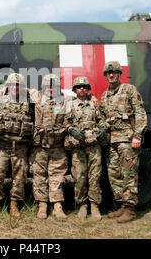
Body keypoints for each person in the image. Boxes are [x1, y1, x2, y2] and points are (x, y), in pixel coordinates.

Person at [99, 61, 147, 223]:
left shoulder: (129, 90)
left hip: (127, 139)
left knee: (129, 174)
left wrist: (137, 136)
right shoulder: (104, 96)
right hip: (112, 141)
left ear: (120, 74)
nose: (111, 75)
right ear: (105, 76)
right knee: (115, 175)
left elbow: (140, 113)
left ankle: (130, 210)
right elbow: (102, 118)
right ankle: (121, 206)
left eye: (114, 72)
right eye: (108, 73)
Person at [0, 73, 34, 219]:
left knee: (19, 178)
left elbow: (47, 96)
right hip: (2, 145)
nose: (15, 87)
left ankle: (14, 204)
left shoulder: (28, 100)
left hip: (20, 146)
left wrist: (30, 91)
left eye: (18, 84)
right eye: (12, 84)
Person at [65, 76, 105, 220]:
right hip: (78, 146)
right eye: (78, 87)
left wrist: (102, 129)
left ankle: (94, 206)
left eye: (84, 87)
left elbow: (101, 120)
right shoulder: (70, 104)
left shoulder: (94, 103)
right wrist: (72, 130)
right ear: (75, 90)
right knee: (79, 177)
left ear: (88, 89)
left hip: (93, 146)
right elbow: (65, 122)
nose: (81, 89)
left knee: (94, 177)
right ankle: (82, 205)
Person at [32, 74, 71, 220]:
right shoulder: (37, 97)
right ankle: (42, 205)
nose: (50, 88)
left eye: (53, 85)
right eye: (47, 86)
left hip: (57, 146)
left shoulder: (65, 100)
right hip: (40, 146)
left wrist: (91, 95)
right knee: (39, 176)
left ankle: (57, 206)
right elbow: (21, 89)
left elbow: (81, 96)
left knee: (57, 176)